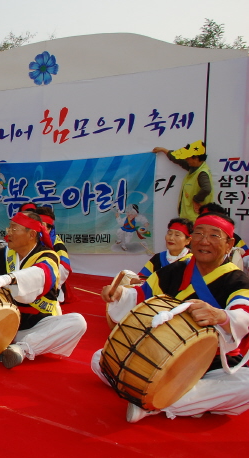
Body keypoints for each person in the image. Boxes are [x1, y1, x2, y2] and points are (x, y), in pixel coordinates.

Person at [94, 212, 249, 423]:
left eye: (214, 236)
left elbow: (243, 314)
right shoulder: (170, 271)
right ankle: (174, 400)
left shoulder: (237, 280)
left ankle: (151, 400)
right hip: (159, 358)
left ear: (229, 243)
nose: (204, 241)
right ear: (192, 239)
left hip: (213, 364)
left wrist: (221, 315)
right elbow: (140, 296)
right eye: (199, 234)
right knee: (100, 358)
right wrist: (119, 294)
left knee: (246, 383)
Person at [0, 211, 87, 369]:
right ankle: (5, 346)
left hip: (38, 324)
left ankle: (21, 349)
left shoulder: (48, 256)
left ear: (31, 234)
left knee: (77, 322)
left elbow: (39, 275)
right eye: (8, 228)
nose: (8, 233)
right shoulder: (3, 255)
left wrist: (6, 278)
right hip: (5, 325)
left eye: (13, 229)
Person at [153, 140, 213, 221]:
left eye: (188, 158)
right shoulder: (194, 168)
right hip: (189, 216)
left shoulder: (202, 173)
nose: (186, 159)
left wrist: (197, 200)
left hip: (195, 217)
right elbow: (178, 160)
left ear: (196, 158)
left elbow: (207, 188)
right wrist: (164, 150)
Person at [35, 206, 72, 304]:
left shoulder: (57, 243)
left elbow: (64, 268)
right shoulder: (30, 239)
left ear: (49, 228)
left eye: (41, 225)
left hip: (49, 287)